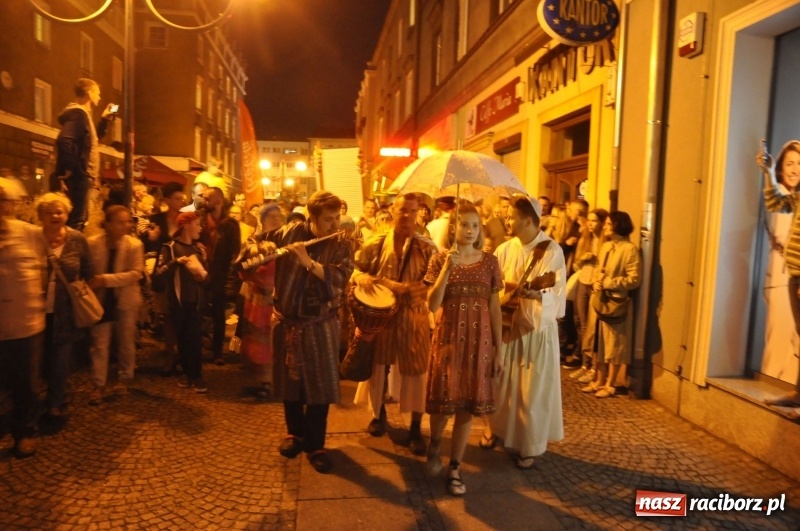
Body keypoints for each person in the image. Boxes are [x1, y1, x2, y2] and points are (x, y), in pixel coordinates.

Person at [258, 191, 352, 474]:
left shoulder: (341, 244)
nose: (335, 225)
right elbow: (256, 244)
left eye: (337, 218)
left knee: (320, 387)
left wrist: (309, 263)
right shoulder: (288, 233)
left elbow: (340, 278)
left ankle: (315, 445)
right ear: (312, 218)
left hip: (320, 324)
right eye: (328, 220)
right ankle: (294, 434)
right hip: (288, 322)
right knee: (291, 384)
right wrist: (257, 252)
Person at [424, 202, 504, 496]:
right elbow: (432, 305)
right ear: (453, 228)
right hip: (448, 341)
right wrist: (448, 267)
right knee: (444, 405)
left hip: (479, 342)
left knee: (468, 407)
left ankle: (455, 466)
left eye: (475, 225)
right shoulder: (439, 259)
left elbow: (494, 307)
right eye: (464, 225)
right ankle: (434, 441)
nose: (470, 231)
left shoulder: (490, 262)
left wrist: (499, 350)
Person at [482, 194, 566, 469]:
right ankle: (496, 430)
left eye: (511, 216)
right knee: (501, 384)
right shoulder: (505, 249)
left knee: (531, 390)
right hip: (506, 326)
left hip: (534, 331)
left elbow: (556, 292)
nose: (506, 220)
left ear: (528, 220)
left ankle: (529, 445)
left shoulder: (552, 251)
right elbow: (491, 284)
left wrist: (536, 294)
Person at [352, 193, 437, 456]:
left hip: (414, 316)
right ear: (393, 211)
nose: (407, 216)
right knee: (379, 367)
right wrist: (363, 278)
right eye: (402, 211)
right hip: (383, 316)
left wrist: (410, 290)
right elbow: (355, 269)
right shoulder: (376, 242)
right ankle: (379, 414)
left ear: (418, 213)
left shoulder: (428, 247)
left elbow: (434, 284)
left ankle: (415, 427)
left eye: (412, 211)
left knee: (417, 371)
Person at [38, 193, 95, 429]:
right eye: (50, 211)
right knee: (35, 361)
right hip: (34, 312)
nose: (55, 215)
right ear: (40, 215)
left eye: (59, 211)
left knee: (60, 361)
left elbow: (89, 271)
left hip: (65, 313)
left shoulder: (77, 239)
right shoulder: (33, 238)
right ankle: (31, 402)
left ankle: (55, 403)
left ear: (67, 214)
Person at [0, 178, 46, 458]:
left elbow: (41, 270)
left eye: (5, 201)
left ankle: (26, 431)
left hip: (25, 323)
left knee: (26, 384)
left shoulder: (29, 233)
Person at [86, 206, 144, 405]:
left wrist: (105, 280)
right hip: (100, 301)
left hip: (126, 299)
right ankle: (98, 384)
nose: (126, 225)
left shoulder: (134, 245)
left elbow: (136, 273)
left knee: (125, 341)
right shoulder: (93, 243)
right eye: (120, 222)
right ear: (108, 223)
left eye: (128, 221)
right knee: (99, 344)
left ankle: (124, 378)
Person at [580, 212, 641, 398]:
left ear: (618, 226)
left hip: (615, 302)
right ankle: (598, 379)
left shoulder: (629, 250)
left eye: (608, 224)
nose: (605, 227)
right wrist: (596, 281)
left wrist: (610, 283)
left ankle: (611, 383)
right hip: (599, 300)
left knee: (614, 343)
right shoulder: (605, 246)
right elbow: (600, 270)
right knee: (597, 340)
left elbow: (634, 279)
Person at [759, 140, 800, 406]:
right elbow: (776, 203)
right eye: (791, 163)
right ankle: (798, 394)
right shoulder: (797, 196)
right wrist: (768, 172)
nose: (795, 169)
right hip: (794, 276)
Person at [153, 212, 210, 392]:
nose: (201, 228)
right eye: (198, 224)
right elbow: (159, 272)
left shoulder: (199, 250)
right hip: (178, 301)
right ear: (186, 226)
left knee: (194, 338)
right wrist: (176, 263)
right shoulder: (169, 247)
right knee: (183, 338)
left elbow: (208, 278)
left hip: (196, 301)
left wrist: (203, 277)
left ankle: (197, 375)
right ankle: (186, 373)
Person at [53, 78, 116, 231]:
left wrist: (104, 120)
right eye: (98, 93)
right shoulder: (78, 114)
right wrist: (71, 169)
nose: (100, 97)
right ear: (89, 93)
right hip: (80, 177)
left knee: (78, 219)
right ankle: (71, 254)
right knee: (76, 220)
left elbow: (91, 142)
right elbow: (65, 140)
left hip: (82, 177)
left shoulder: (83, 115)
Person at [238, 203, 286, 399]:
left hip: (276, 300)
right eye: (270, 216)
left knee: (271, 342)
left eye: (278, 216)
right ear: (262, 219)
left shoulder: (286, 241)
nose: (275, 219)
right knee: (257, 341)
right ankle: (262, 381)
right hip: (257, 299)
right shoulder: (255, 242)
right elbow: (242, 269)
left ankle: (270, 384)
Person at [198, 187, 241, 365]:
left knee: (217, 314)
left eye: (208, 198)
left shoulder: (229, 225)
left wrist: (230, 282)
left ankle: (217, 351)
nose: (204, 201)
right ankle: (200, 346)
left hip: (219, 275)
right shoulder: (199, 221)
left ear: (219, 201)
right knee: (199, 312)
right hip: (200, 273)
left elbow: (234, 255)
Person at [568, 209, 609, 384]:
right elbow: (576, 266)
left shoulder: (606, 243)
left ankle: (593, 367)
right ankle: (585, 364)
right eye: (589, 220)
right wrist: (583, 259)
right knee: (581, 324)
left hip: (595, 286)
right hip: (583, 282)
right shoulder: (585, 238)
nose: (590, 224)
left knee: (592, 328)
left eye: (595, 221)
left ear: (602, 222)